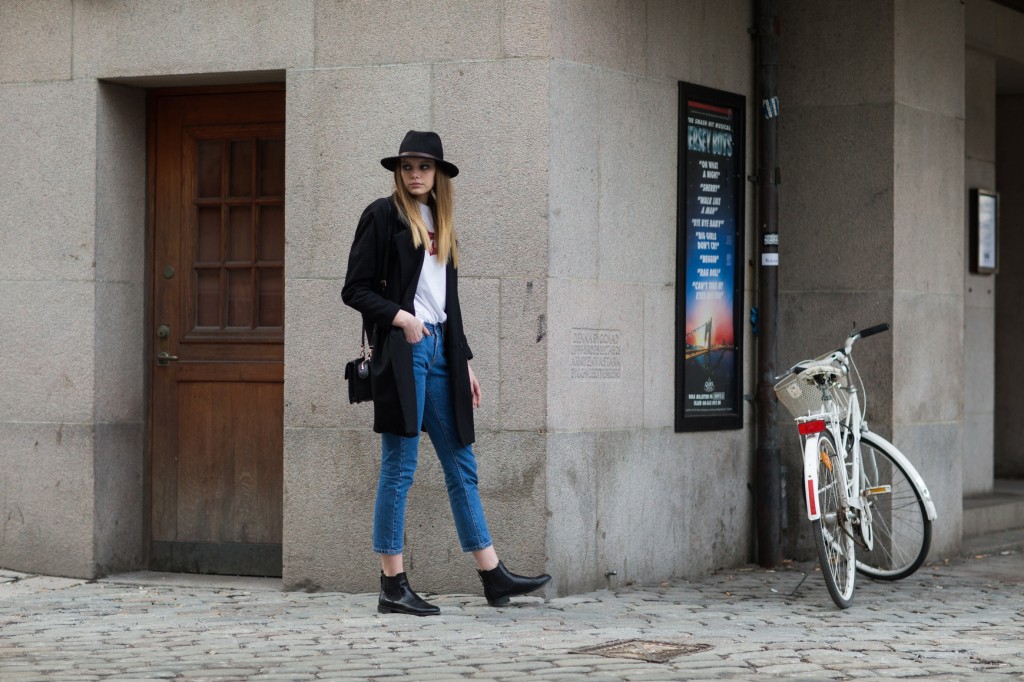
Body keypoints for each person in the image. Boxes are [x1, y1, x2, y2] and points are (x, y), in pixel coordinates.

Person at [341, 130, 550, 616]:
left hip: (441, 354)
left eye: (425, 167)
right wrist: (402, 318)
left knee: (462, 463)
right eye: (409, 167)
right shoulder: (381, 215)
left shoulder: (442, 221)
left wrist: (466, 360)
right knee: (400, 466)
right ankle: (392, 585)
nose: (416, 174)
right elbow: (354, 289)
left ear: (438, 174)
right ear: (399, 171)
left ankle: (493, 575)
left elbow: (447, 302)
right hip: (405, 348)